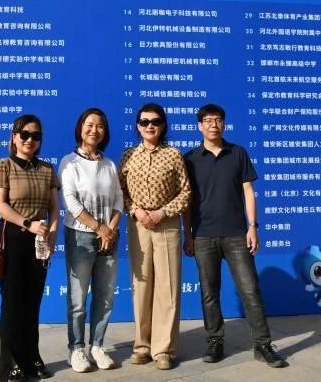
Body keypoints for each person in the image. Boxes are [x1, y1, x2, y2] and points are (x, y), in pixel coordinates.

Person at [182, 104, 288, 368]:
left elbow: (248, 191)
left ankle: (263, 345)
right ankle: (215, 341)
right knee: (209, 292)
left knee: (250, 290)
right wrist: (188, 235)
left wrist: (253, 226)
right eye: (208, 120)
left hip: (237, 234)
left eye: (218, 119)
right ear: (199, 126)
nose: (213, 124)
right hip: (203, 235)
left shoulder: (238, 153)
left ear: (224, 124)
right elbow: (187, 201)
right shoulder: (190, 159)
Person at [118, 102, 191, 370]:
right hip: (138, 224)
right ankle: (142, 346)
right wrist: (136, 210)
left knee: (167, 287)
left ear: (163, 125)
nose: (150, 126)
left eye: (156, 121)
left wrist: (163, 212)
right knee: (142, 285)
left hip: (166, 224)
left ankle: (164, 349)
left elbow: (186, 192)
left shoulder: (173, 155)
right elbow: (120, 192)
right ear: (138, 126)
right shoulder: (128, 156)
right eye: (145, 121)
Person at [0, 114, 60, 381]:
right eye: (25, 135)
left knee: (33, 302)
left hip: (40, 240)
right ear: (14, 137)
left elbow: (54, 208)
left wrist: (51, 235)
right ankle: (11, 366)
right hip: (13, 238)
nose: (30, 140)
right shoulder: (4, 165)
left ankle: (32, 359)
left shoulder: (47, 169)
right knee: (12, 305)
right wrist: (28, 224)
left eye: (36, 136)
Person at [59, 108, 123, 373]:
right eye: (89, 124)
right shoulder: (69, 162)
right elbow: (71, 202)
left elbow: (119, 199)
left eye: (100, 126)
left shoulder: (109, 165)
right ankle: (76, 349)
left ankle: (97, 346)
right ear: (80, 128)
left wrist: (110, 230)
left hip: (109, 237)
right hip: (80, 236)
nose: (94, 130)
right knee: (78, 299)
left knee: (105, 296)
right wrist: (99, 228)